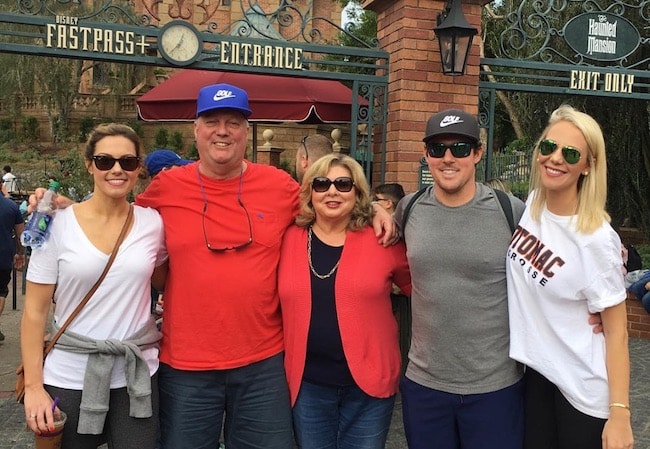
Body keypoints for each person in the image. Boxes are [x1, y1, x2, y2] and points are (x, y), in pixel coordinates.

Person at [29, 84, 395, 449]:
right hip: (186, 366)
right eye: (212, 121)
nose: (223, 130)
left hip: (263, 365)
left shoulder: (280, 186)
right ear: (196, 129)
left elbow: (329, 202)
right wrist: (63, 206)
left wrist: (375, 207)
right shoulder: (167, 187)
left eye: (233, 122)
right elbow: (115, 209)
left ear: (246, 131)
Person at [21, 123, 167, 449]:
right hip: (69, 375)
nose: (117, 169)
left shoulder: (152, 224)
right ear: (90, 164)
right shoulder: (55, 226)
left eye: (127, 162)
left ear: (138, 167)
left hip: (136, 376)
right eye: (105, 161)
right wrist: (33, 388)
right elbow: (33, 313)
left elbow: (165, 279)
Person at [393, 109, 526, 449]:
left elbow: (552, 270)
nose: (448, 158)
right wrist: (379, 212)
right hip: (425, 385)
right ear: (426, 155)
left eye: (460, 149)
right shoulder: (408, 210)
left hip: (495, 387)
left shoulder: (510, 211)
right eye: (437, 149)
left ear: (478, 154)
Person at [506, 105, 633, 449]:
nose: (555, 158)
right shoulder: (533, 205)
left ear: (588, 165)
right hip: (539, 374)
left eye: (571, 152)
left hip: (582, 390)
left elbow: (618, 332)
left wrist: (619, 413)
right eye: (548, 147)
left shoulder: (596, 238)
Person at [279, 154, 411, 449]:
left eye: (343, 183)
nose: (332, 191)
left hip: (369, 386)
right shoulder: (287, 238)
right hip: (307, 384)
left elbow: (421, 288)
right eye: (322, 183)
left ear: (358, 192)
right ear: (310, 192)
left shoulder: (383, 239)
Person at [0, 193, 25, 342]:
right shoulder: (11, 206)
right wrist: (20, 253)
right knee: (1, 290)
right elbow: (21, 234)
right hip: (3, 255)